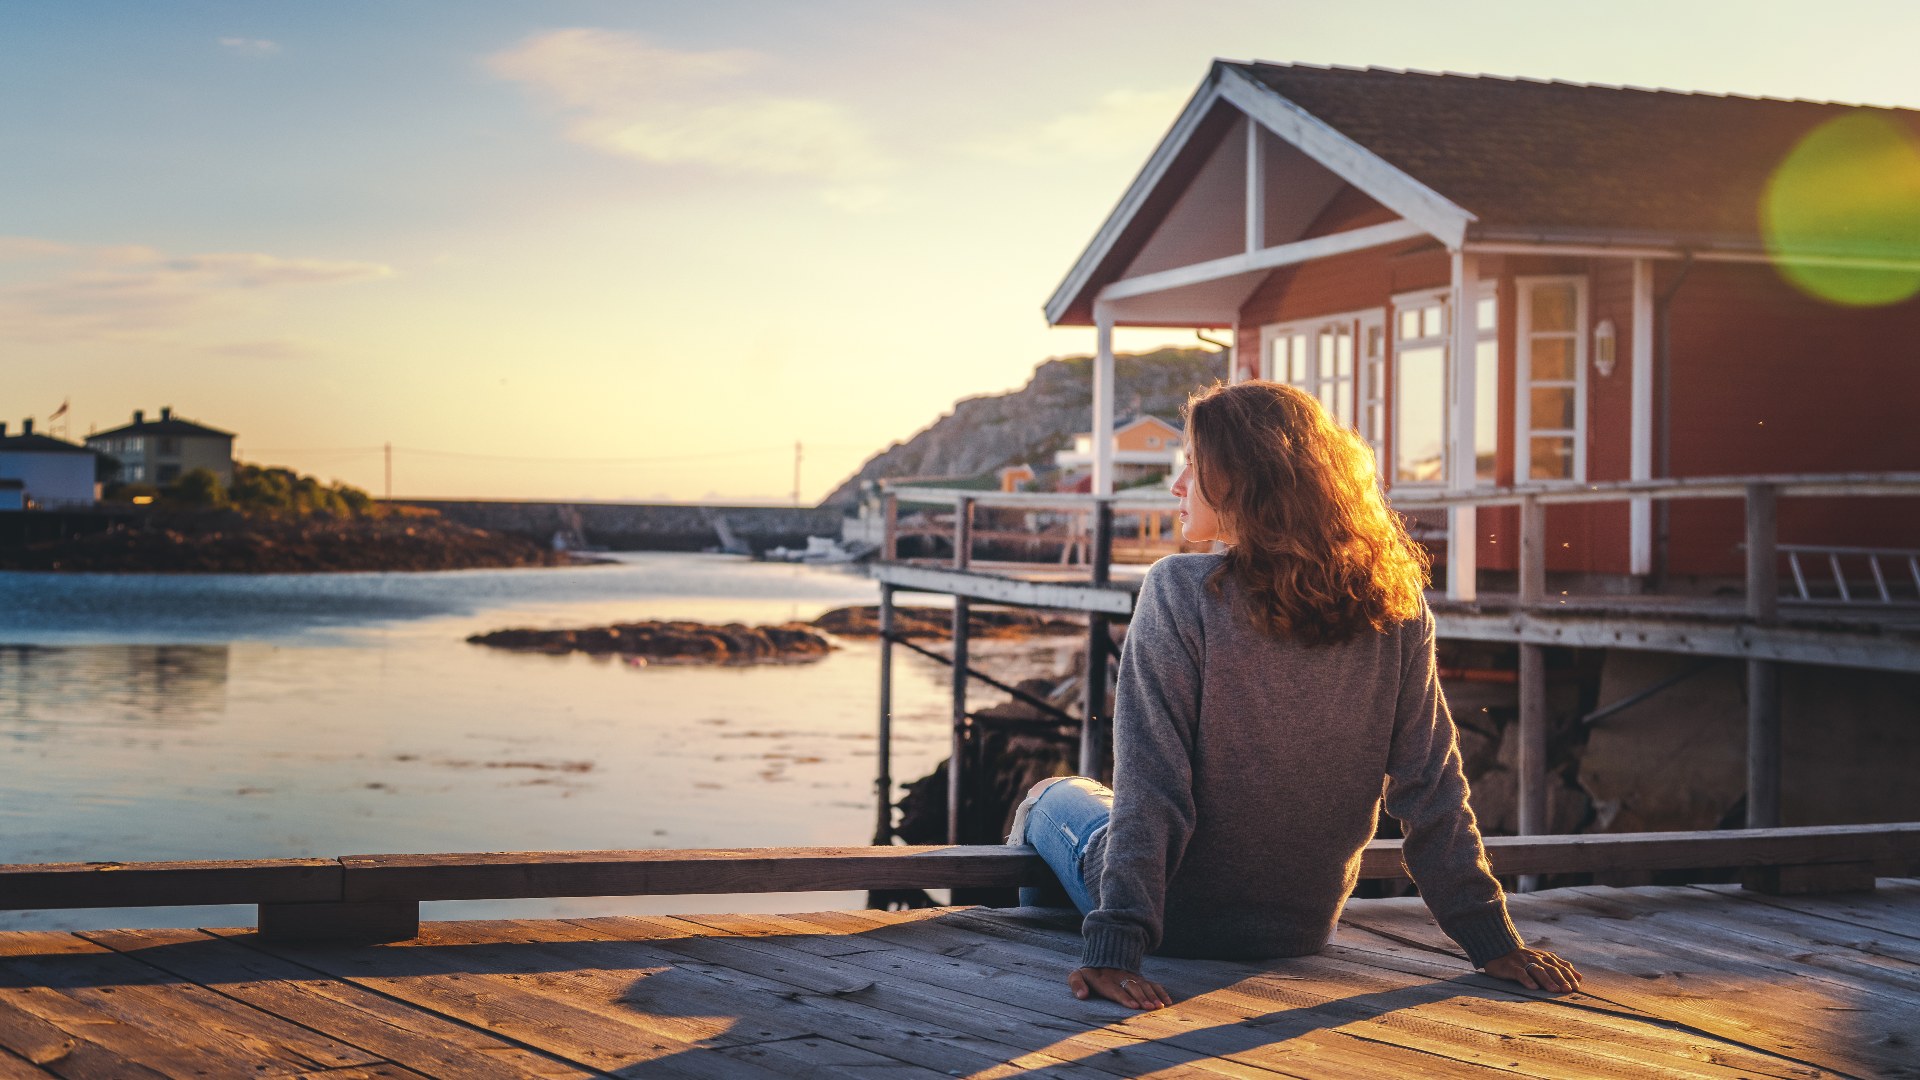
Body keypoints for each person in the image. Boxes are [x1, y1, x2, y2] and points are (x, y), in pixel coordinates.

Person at [1007, 380, 1583, 1011]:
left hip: (1174, 921)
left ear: (1241, 485)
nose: (1177, 486)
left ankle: (1075, 971)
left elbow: (1153, 788)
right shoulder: (1394, 606)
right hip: (1301, 927)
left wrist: (1116, 943)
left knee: (1048, 800)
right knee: (1105, 807)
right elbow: (1432, 787)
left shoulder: (1179, 591)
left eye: (1192, 469)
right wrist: (1491, 941)